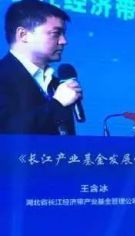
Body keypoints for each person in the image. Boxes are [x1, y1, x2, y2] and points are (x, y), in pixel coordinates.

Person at [0, 0, 82, 135]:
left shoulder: (57, 84)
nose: (64, 41)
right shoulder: (3, 76)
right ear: (23, 35)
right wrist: (57, 104)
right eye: (56, 33)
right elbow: (7, 131)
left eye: (63, 34)